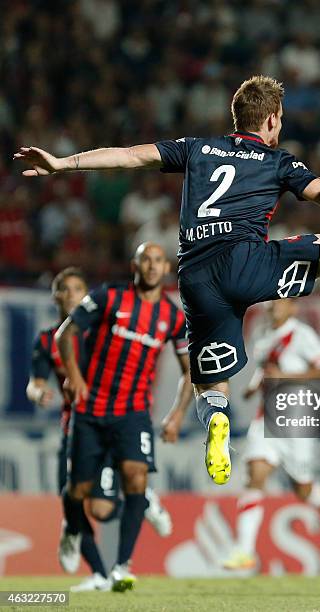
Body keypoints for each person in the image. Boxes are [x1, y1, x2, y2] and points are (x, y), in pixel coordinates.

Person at [14, 75, 320, 488]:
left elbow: (130, 157)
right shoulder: (279, 161)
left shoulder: (197, 148)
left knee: (208, 383)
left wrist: (62, 164)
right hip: (245, 262)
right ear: (273, 120)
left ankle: (216, 421)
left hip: (197, 277)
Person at [27, 266, 176, 592]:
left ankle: (143, 501)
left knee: (102, 506)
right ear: (56, 297)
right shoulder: (47, 340)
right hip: (75, 425)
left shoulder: (99, 331)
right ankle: (98, 573)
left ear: (86, 296)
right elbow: (34, 383)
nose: (72, 295)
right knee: (86, 503)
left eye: (78, 289)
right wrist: (40, 393)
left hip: (110, 418)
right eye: (65, 290)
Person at [54, 243, 192, 592]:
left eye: (158, 261)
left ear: (166, 269)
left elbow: (189, 372)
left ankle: (121, 566)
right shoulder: (109, 298)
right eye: (146, 259)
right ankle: (71, 529)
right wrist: (74, 375)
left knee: (136, 478)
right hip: (91, 410)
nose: (151, 266)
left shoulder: (173, 317)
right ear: (135, 265)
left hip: (132, 413)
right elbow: (66, 332)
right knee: (78, 492)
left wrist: (176, 415)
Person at [223, 299, 320, 571]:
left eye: (280, 303)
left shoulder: (301, 335)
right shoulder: (263, 337)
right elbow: (265, 369)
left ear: (293, 308)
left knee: (303, 488)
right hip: (265, 418)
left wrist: (285, 377)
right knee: (255, 473)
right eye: (271, 303)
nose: (274, 307)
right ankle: (244, 551)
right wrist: (253, 386)